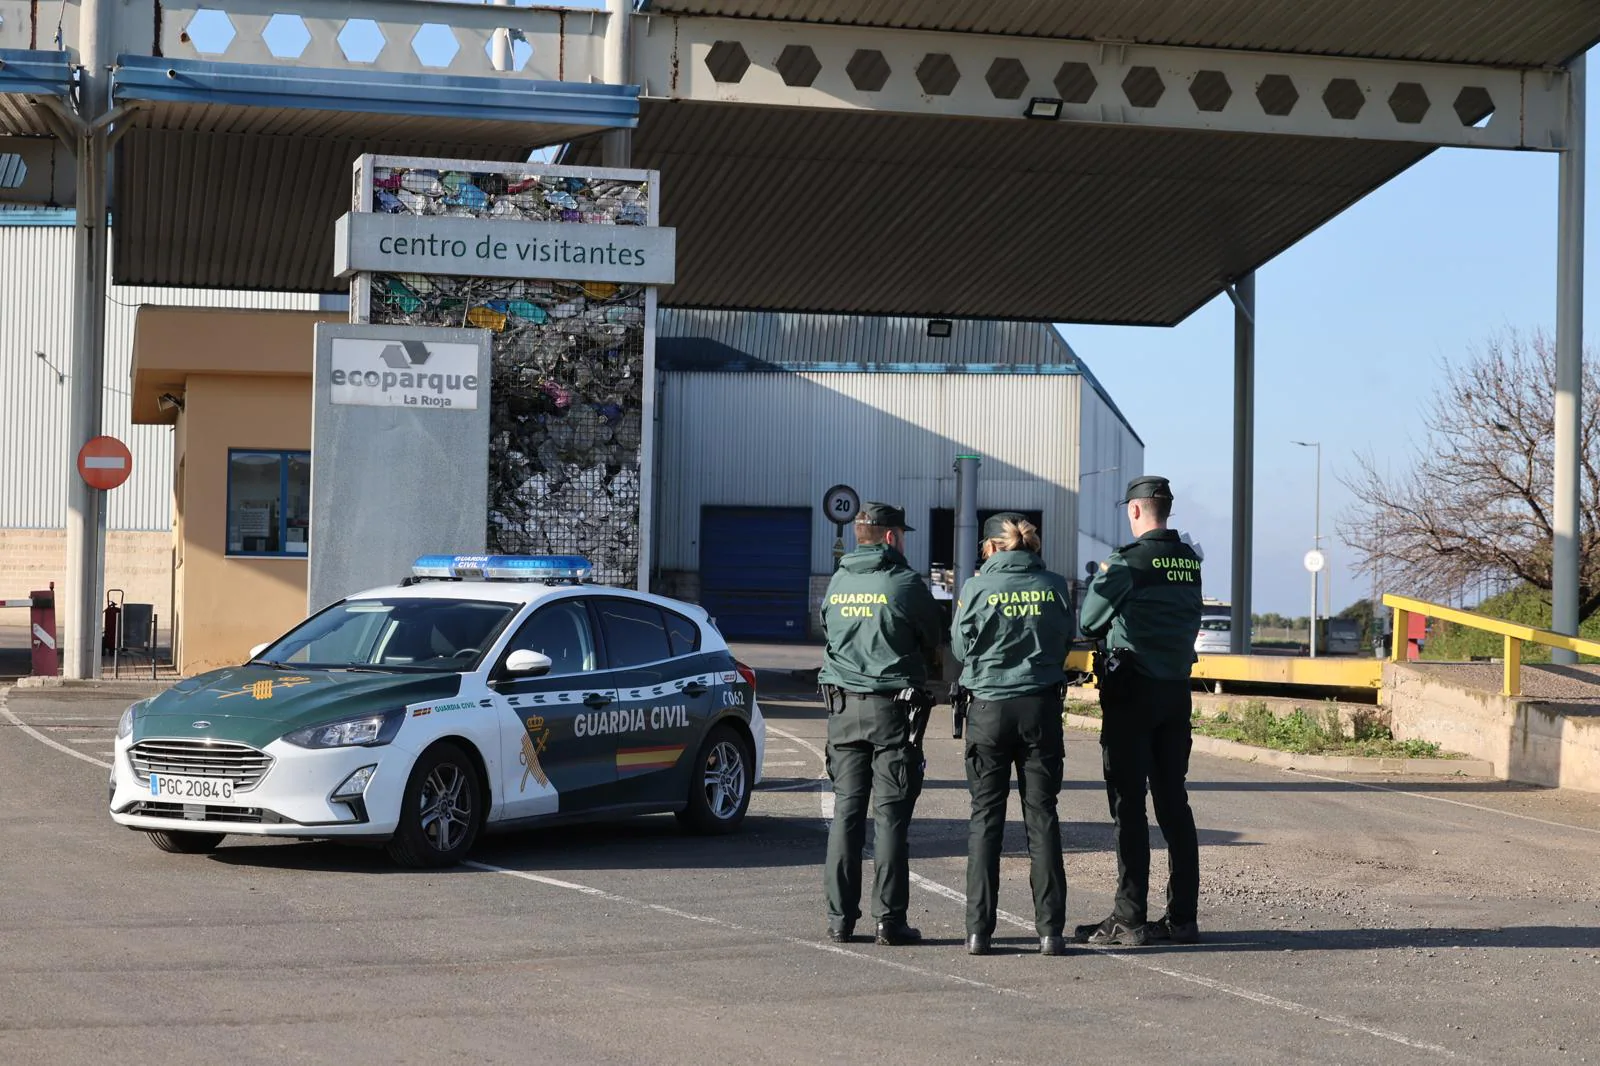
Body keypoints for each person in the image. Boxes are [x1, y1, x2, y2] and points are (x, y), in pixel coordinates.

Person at [1074, 475, 1204, 947]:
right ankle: (1182, 918)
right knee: (1174, 803)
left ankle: (1128, 917)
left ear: (1134, 511)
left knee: (1128, 805)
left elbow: (1089, 619)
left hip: (1133, 692)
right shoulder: (1190, 560)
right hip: (1176, 692)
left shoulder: (1128, 562)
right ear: (1165, 509)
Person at [949, 513, 1075, 957]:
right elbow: (1066, 640)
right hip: (1040, 708)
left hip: (988, 710)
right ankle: (1050, 932)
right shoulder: (1055, 586)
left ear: (990, 548)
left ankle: (978, 932)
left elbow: (960, 649)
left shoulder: (976, 588)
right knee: (1042, 818)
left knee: (985, 820)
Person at [818, 502, 942, 946]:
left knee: (846, 815)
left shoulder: (838, 581)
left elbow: (827, 632)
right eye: (902, 534)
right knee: (889, 818)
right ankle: (889, 921)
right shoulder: (905, 583)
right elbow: (935, 637)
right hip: (893, 712)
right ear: (890, 536)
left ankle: (839, 920)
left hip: (842, 711)